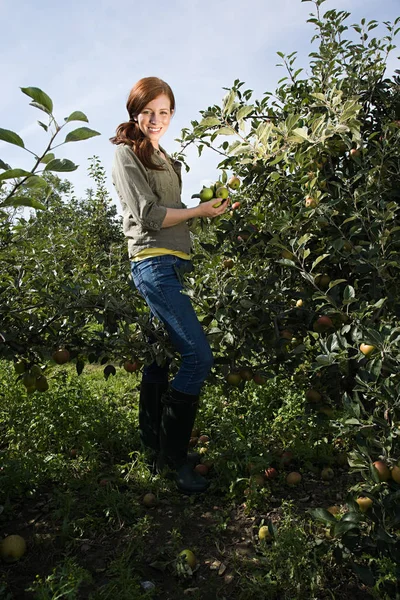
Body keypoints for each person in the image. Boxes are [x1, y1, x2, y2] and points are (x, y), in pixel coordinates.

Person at [110, 77, 229, 494]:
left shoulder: (164, 155)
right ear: (135, 113)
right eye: (148, 111)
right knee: (197, 357)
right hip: (152, 263)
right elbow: (149, 215)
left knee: (159, 356)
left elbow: (174, 209)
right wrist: (198, 211)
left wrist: (207, 208)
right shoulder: (125, 154)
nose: (155, 119)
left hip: (174, 265)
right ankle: (175, 462)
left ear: (172, 114)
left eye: (163, 111)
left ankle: (156, 451)